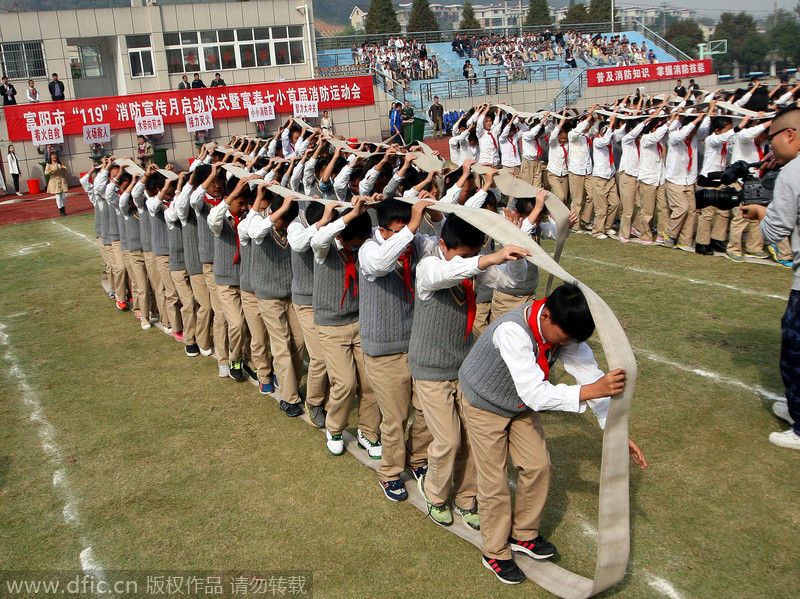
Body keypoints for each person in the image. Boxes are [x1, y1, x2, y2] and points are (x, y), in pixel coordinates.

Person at [458, 283, 647, 584]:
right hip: (484, 402)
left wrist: (614, 429)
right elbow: (537, 393)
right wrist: (590, 391)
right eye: (565, 337)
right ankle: (494, 551)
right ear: (545, 315)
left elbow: (590, 375)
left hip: (520, 404)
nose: (567, 343)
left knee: (538, 465)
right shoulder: (513, 330)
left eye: (573, 339)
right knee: (493, 480)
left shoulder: (564, 328)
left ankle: (523, 534)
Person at [408, 215, 529, 530]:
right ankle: (434, 493)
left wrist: (511, 258)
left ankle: (466, 498)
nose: (472, 262)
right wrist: (487, 259)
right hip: (430, 370)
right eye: (465, 255)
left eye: (475, 255)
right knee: (448, 439)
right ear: (442, 245)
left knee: (474, 437)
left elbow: (516, 283)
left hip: (464, 368)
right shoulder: (428, 268)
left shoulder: (472, 267)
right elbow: (449, 272)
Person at [359, 199, 439, 502]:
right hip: (384, 352)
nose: (408, 238)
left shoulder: (411, 242)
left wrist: (435, 218)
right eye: (400, 231)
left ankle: (417, 459)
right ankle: (390, 472)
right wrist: (411, 230)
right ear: (382, 230)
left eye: (410, 230)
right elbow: (380, 265)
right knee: (394, 418)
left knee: (426, 410)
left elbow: (443, 242)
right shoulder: (369, 249)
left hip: (417, 345)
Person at [742, 105, 800, 449]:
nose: (770, 147)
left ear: (790, 135)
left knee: (794, 350)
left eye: (772, 138)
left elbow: (776, 229)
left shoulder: (793, 173)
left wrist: (762, 211)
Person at [310, 197, 381, 458]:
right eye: (355, 244)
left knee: (370, 381)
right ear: (341, 236)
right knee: (345, 382)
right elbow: (317, 238)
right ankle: (335, 428)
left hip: (360, 322)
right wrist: (346, 217)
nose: (360, 249)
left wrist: (373, 208)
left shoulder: (363, 245)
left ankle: (368, 432)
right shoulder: (325, 247)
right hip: (331, 326)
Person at [45, 152, 68, 216]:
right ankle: (61, 211)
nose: (54, 157)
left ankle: (63, 208)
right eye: (52, 156)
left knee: (63, 197)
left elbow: (66, 170)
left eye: (55, 156)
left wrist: (62, 168)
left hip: (61, 180)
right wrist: (52, 170)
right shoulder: (49, 164)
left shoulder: (59, 163)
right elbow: (46, 173)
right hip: (54, 181)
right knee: (58, 196)